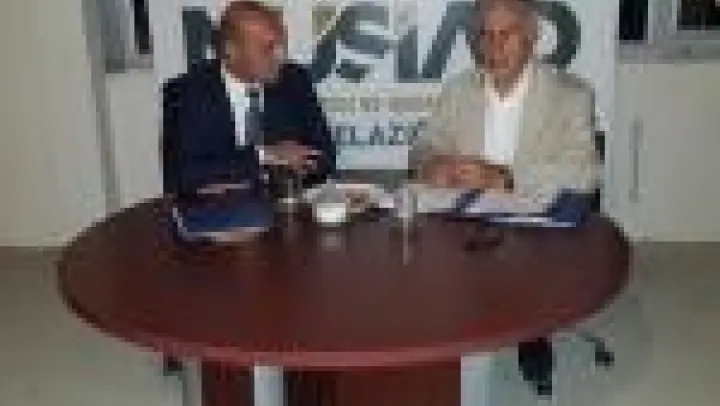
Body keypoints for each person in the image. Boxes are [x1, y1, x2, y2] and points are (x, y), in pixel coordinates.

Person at [410, 0, 600, 396]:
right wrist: (432, 165)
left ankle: (532, 333)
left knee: (523, 273)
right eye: (486, 35)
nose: (493, 46)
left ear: (532, 38)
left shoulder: (571, 95)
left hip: (533, 219)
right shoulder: (459, 90)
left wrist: (505, 176)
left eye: (506, 34)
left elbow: (583, 171)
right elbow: (425, 144)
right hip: (468, 216)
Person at [161, 0, 335, 201]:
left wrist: (296, 168)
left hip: (283, 206)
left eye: (282, 45)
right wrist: (265, 156)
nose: (280, 56)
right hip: (215, 213)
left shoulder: (294, 80)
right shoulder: (187, 93)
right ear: (230, 50)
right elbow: (182, 176)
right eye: (268, 48)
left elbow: (325, 157)